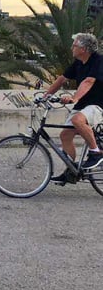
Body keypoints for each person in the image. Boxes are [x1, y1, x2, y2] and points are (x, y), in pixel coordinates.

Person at [46, 32, 103, 183]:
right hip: (83, 105)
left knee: (78, 120)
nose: (72, 47)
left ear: (83, 49)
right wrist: (45, 96)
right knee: (65, 135)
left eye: (75, 45)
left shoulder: (98, 61)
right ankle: (71, 171)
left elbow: (88, 82)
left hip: (98, 104)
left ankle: (96, 152)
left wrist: (74, 97)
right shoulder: (78, 63)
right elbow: (61, 79)